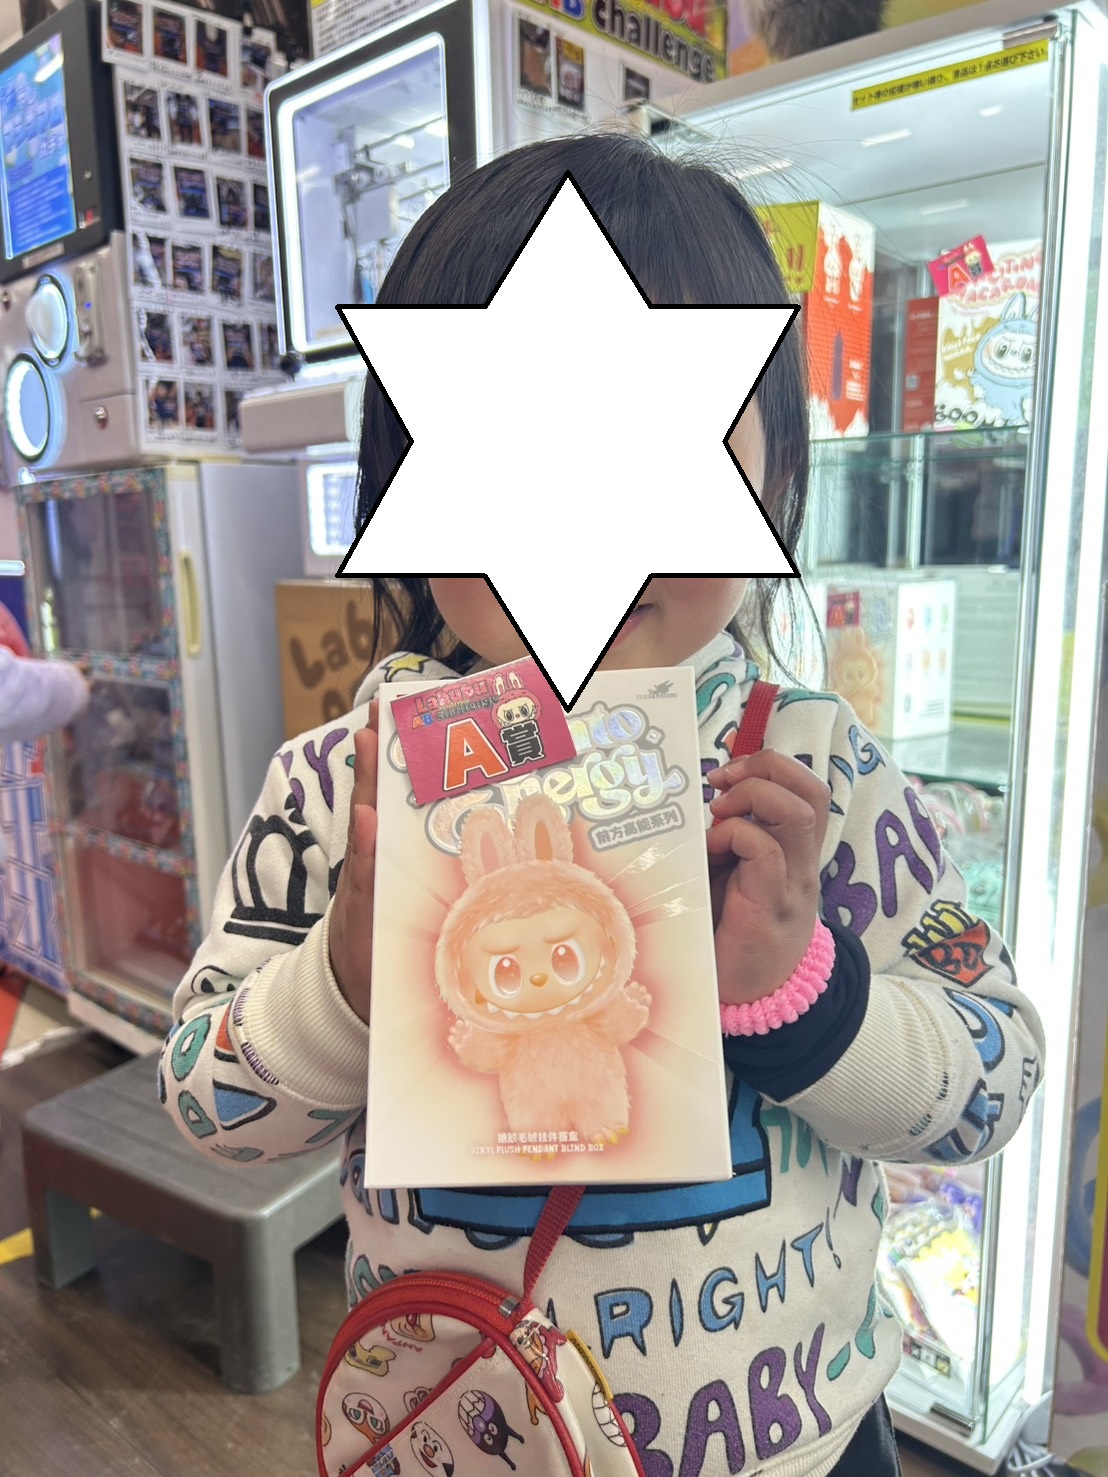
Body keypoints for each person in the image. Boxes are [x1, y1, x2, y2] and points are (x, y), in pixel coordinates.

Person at [161, 133, 1044, 1477]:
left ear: (771, 478)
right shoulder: (342, 789)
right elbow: (207, 1102)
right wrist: (345, 977)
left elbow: (996, 1072)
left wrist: (806, 992)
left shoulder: (818, 775)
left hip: (802, 1446)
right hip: (463, 1434)